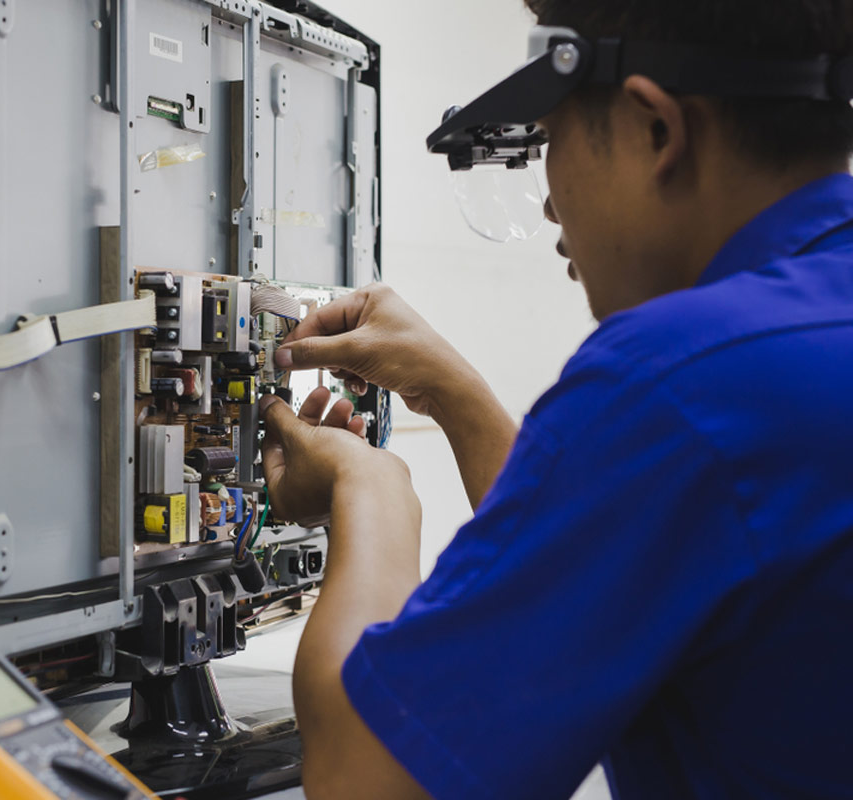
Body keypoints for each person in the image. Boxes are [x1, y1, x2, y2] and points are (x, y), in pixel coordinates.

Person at [258, 1, 853, 798]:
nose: (548, 201)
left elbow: (367, 778)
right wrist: (456, 397)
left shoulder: (677, 382)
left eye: (551, 139)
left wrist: (367, 487)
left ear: (656, 130)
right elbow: (635, 551)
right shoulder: (765, 358)